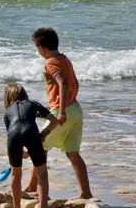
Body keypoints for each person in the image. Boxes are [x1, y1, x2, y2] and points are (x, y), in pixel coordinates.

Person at [26, 27, 94, 200]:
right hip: (76, 110)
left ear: (41, 47)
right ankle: (85, 193)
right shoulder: (64, 59)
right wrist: (71, 104)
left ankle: (33, 187)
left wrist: (62, 111)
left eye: (37, 48)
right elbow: (75, 82)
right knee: (73, 153)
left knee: (40, 149)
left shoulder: (51, 62)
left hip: (60, 111)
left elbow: (63, 83)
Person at [4, 83, 58, 208]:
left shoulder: (7, 112)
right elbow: (54, 121)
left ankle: (16, 206)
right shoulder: (33, 104)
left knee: (15, 174)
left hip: (13, 135)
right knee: (42, 173)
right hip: (32, 133)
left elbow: (13, 137)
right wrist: (42, 135)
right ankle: (42, 206)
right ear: (24, 94)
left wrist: (25, 154)